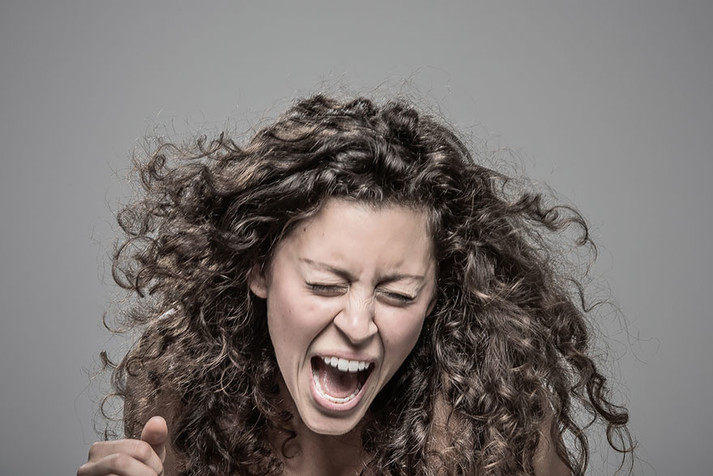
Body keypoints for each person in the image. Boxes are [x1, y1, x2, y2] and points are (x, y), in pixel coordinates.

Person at [78, 95, 633, 476]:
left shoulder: (495, 431)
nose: (359, 324)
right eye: (325, 284)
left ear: (436, 297)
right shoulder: (183, 403)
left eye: (398, 294)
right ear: (259, 269)